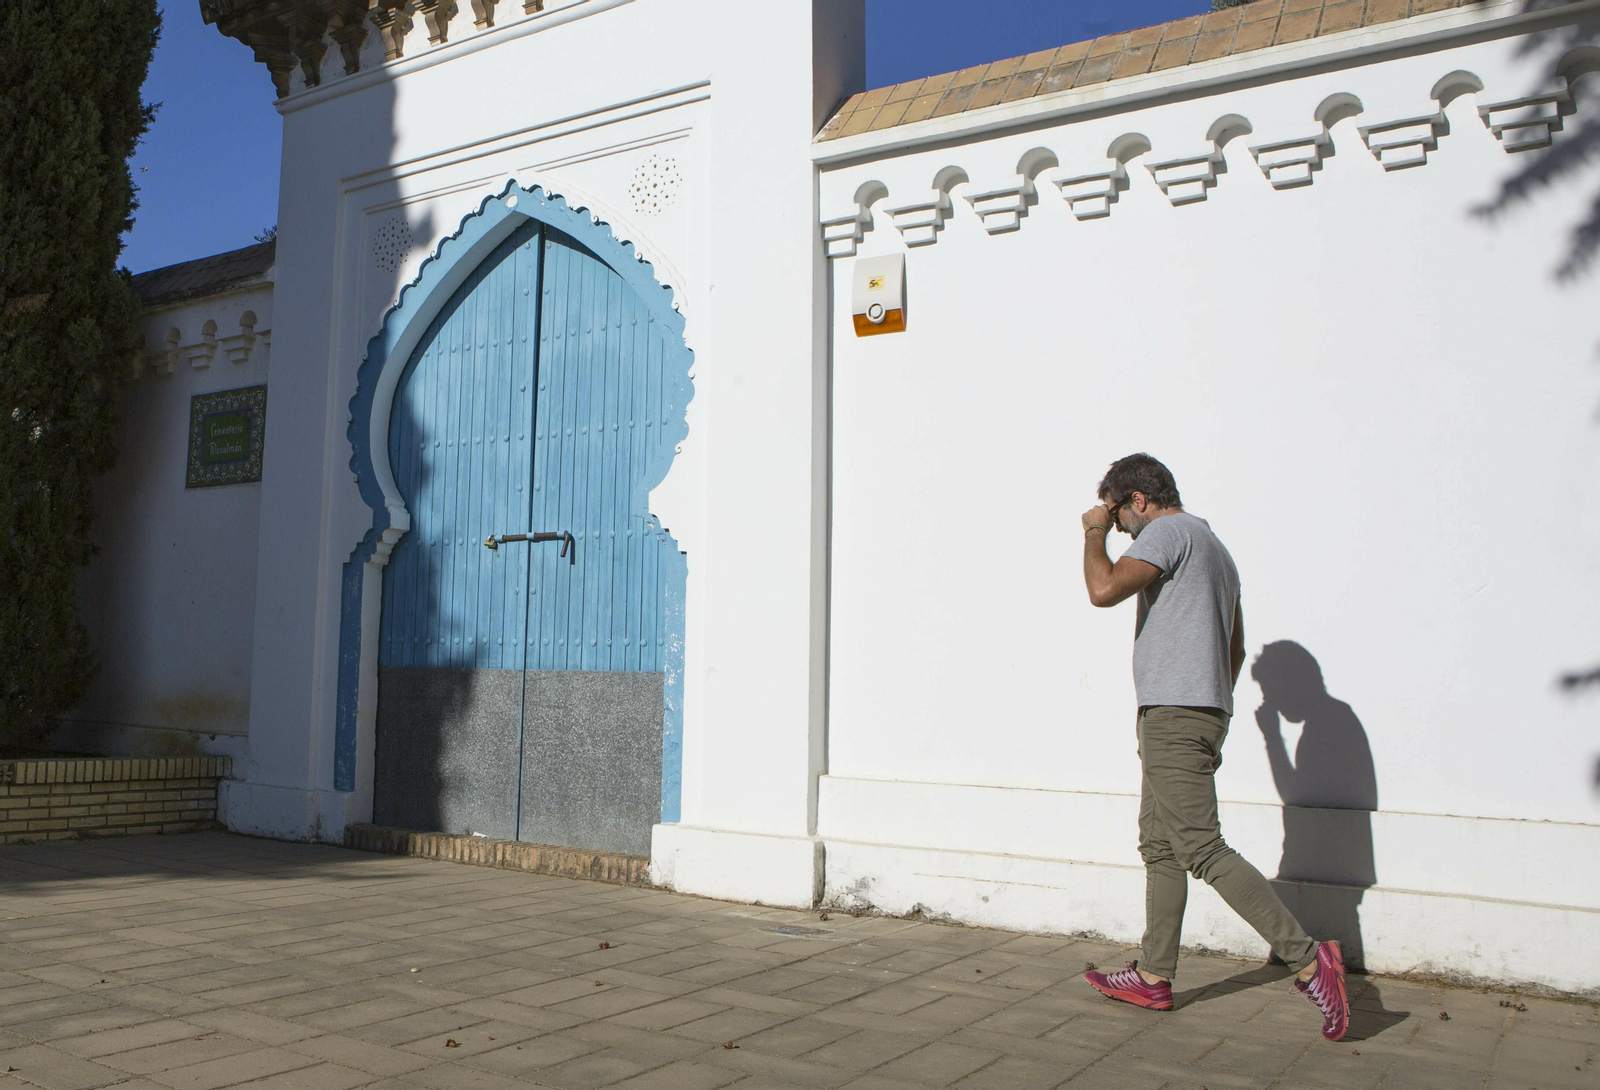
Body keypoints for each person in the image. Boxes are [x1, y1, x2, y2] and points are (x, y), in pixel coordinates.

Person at [1077, 453, 1349, 1042]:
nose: (1120, 529)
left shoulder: (1170, 531)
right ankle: (1154, 973)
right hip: (1193, 711)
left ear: (1139, 498)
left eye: (1121, 515)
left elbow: (1102, 589)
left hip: (1176, 714)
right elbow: (1236, 643)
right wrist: (1216, 710)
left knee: (1200, 847)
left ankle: (1307, 960)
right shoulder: (1214, 546)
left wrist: (1093, 530)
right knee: (1160, 845)